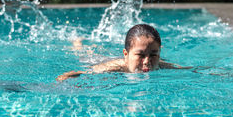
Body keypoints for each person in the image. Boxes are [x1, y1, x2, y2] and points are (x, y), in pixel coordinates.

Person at [56, 24, 191, 81]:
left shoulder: (161, 65)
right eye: (141, 55)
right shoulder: (112, 68)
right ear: (126, 55)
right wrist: (66, 77)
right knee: (86, 55)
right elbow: (83, 73)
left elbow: (189, 70)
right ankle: (77, 43)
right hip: (100, 62)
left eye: (154, 55)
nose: (147, 61)